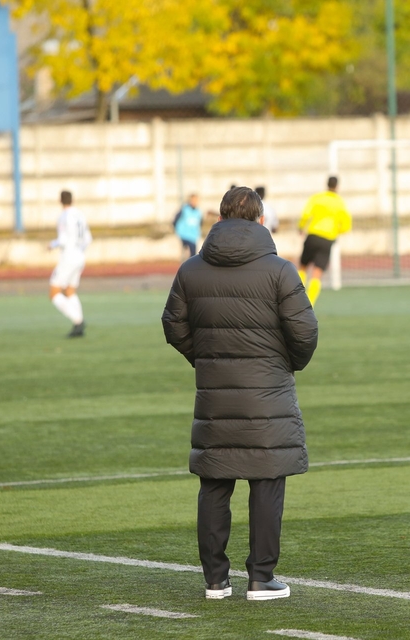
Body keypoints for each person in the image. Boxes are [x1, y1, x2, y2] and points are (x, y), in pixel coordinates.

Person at [162, 186, 318, 602]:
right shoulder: (280, 270)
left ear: (220, 217)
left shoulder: (190, 270)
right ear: (260, 220)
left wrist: (206, 358)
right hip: (267, 392)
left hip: (215, 392)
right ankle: (261, 578)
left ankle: (215, 580)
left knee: (215, 481)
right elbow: (305, 332)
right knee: (266, 478)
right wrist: (285, 363)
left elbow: (172, 325)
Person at [298, 176, 352, 306]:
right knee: (317, 272)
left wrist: (301, 227)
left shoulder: (317, 198)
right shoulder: (339, 202)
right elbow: (346, 226)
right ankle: (309, 303)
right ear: (337, 186)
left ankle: (295, 297)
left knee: (303, 267)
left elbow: (306, 214)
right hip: (327, 239)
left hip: (313, 235)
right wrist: (335, 231)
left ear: (326, 184)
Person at [49, 190, 92, 337]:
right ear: (72, 200)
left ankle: (78, 321)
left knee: (54, 293)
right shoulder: (80, 215)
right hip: (80, 256)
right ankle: (78, 327)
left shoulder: (64, 216)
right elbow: (88, 238)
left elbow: (62, 240)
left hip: (68, 256)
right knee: (70, 291)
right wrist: (78, 251)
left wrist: (52, 244)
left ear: (60, 201)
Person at [173, 193, 204, 259]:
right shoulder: (184, 209)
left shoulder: (198, 212)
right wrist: (177, 230)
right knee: (186, 252)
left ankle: (190, 267)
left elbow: (200, 223)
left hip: (193, 236)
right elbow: (175, 220)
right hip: (184, 235)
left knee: (193, 255)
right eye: (193, 200)